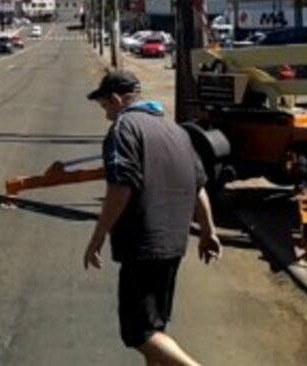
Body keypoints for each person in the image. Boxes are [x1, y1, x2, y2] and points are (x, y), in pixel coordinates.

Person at [82, 69, 221, 366]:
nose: (105, 112)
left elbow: (121, 187)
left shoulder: (123, 129)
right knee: (155, 328)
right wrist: (209, 231)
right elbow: (199, 187)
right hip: (174, 244)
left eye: (105, 104)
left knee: (138, 332)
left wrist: (97, 237)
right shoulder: (176, 130)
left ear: (118, 99)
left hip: (143, 243)